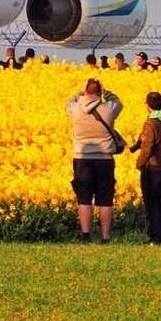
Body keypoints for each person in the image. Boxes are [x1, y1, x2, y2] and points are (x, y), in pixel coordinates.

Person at [66, 78, 123, 242]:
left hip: (81, 158)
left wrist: (80, 93)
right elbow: (118, 102)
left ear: (85, 92)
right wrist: (105, 92)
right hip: (104, 159)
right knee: (105, 198)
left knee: (84, 197)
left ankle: (86, 236)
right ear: (99, 93)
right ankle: (105, 238)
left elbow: (69, 102)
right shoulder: (109, 108)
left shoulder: (75, 109)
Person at [134, 90, 161, 246]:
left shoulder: (150, 123)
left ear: (148, 106)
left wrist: (140, 163)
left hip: (154, 168)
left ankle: (156, 238)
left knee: (153, 203)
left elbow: (147, 146)